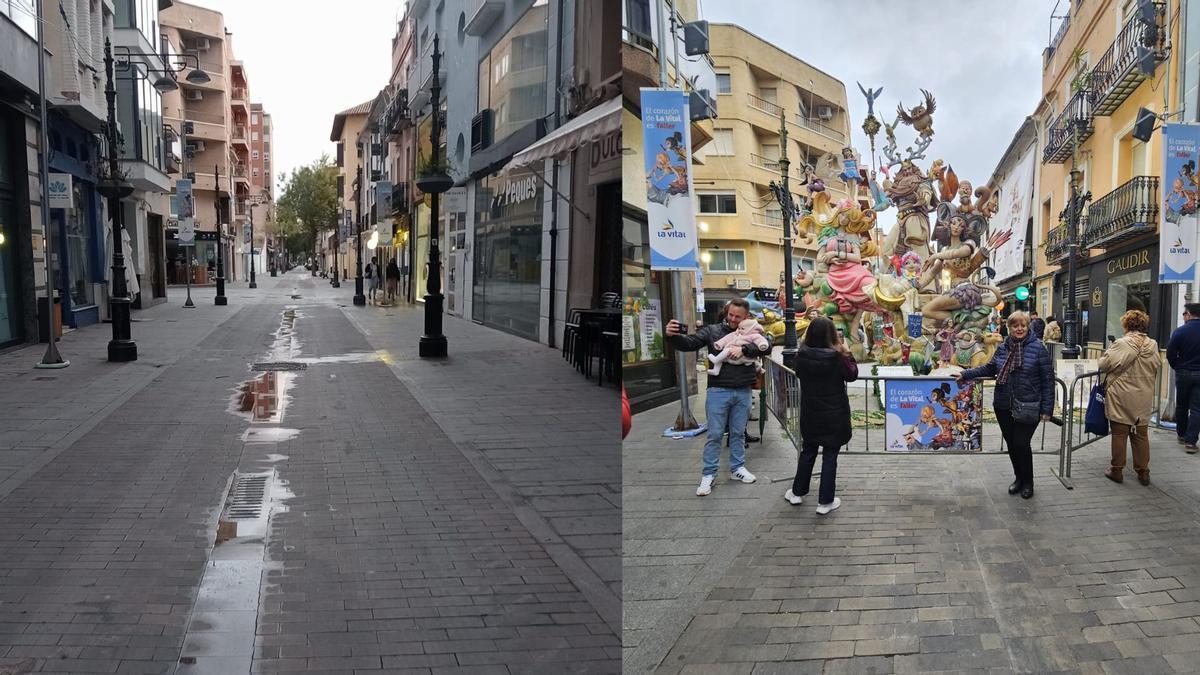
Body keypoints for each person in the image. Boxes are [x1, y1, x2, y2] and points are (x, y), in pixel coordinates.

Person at [665, 298, 771, 496]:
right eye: (730, 314)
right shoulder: (712, 330)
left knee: (738, 433)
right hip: (718, 391)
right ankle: (708, 474)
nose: (732, 319)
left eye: (737, 317)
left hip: (743, 390)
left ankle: (737, 468)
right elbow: (690, 343)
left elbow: (767, 345)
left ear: (746, 317)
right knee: (714, 434)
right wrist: (672, 336)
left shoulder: (753, 329)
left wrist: (745, 349)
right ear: (726, 312)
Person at [956, 311, 1054, 499]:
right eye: (1015, 326)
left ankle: (1028, 482)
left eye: (1023, 325)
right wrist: (966, 374)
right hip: (1003, 404)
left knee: (1021, 443)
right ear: (1009, 328)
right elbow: (990, 368)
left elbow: (1048, 380)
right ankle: (1018, 478)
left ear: (1028, 327)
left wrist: (1047, 409)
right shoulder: (1003, 348)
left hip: (1028, 404)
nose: (1019, 329)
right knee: (1011, 444)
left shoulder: (1038, 348)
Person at [784, 316, 856, 514]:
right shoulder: (837, 357)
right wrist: (847, 352)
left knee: (808, 451)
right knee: (830, 455)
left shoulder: (801, 356)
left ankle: (797, 492)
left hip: (811, 413)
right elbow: (852, 375)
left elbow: (799, 374)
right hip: (835, 414)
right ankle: (825, 502)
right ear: (832, 334)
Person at [1099, 310, 1161, 484]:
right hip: (1143, 395)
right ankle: (1143, 472)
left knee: (1119, 433)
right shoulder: (1153, 344)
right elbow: (1156, 366)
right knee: (1141, 434)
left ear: (1126, 325)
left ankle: (1116, 470)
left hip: (1121, 395)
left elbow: (1103, 364)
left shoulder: (1121, 343)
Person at [1167, 302, 1200, 452]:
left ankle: (1181, 434)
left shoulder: (1180, 331)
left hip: (1183, 373)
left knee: (1182, 405)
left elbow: (1170, 353)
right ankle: (1191, 442)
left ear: (1188, 314)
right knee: (1197, 409)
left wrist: (1177, 366)